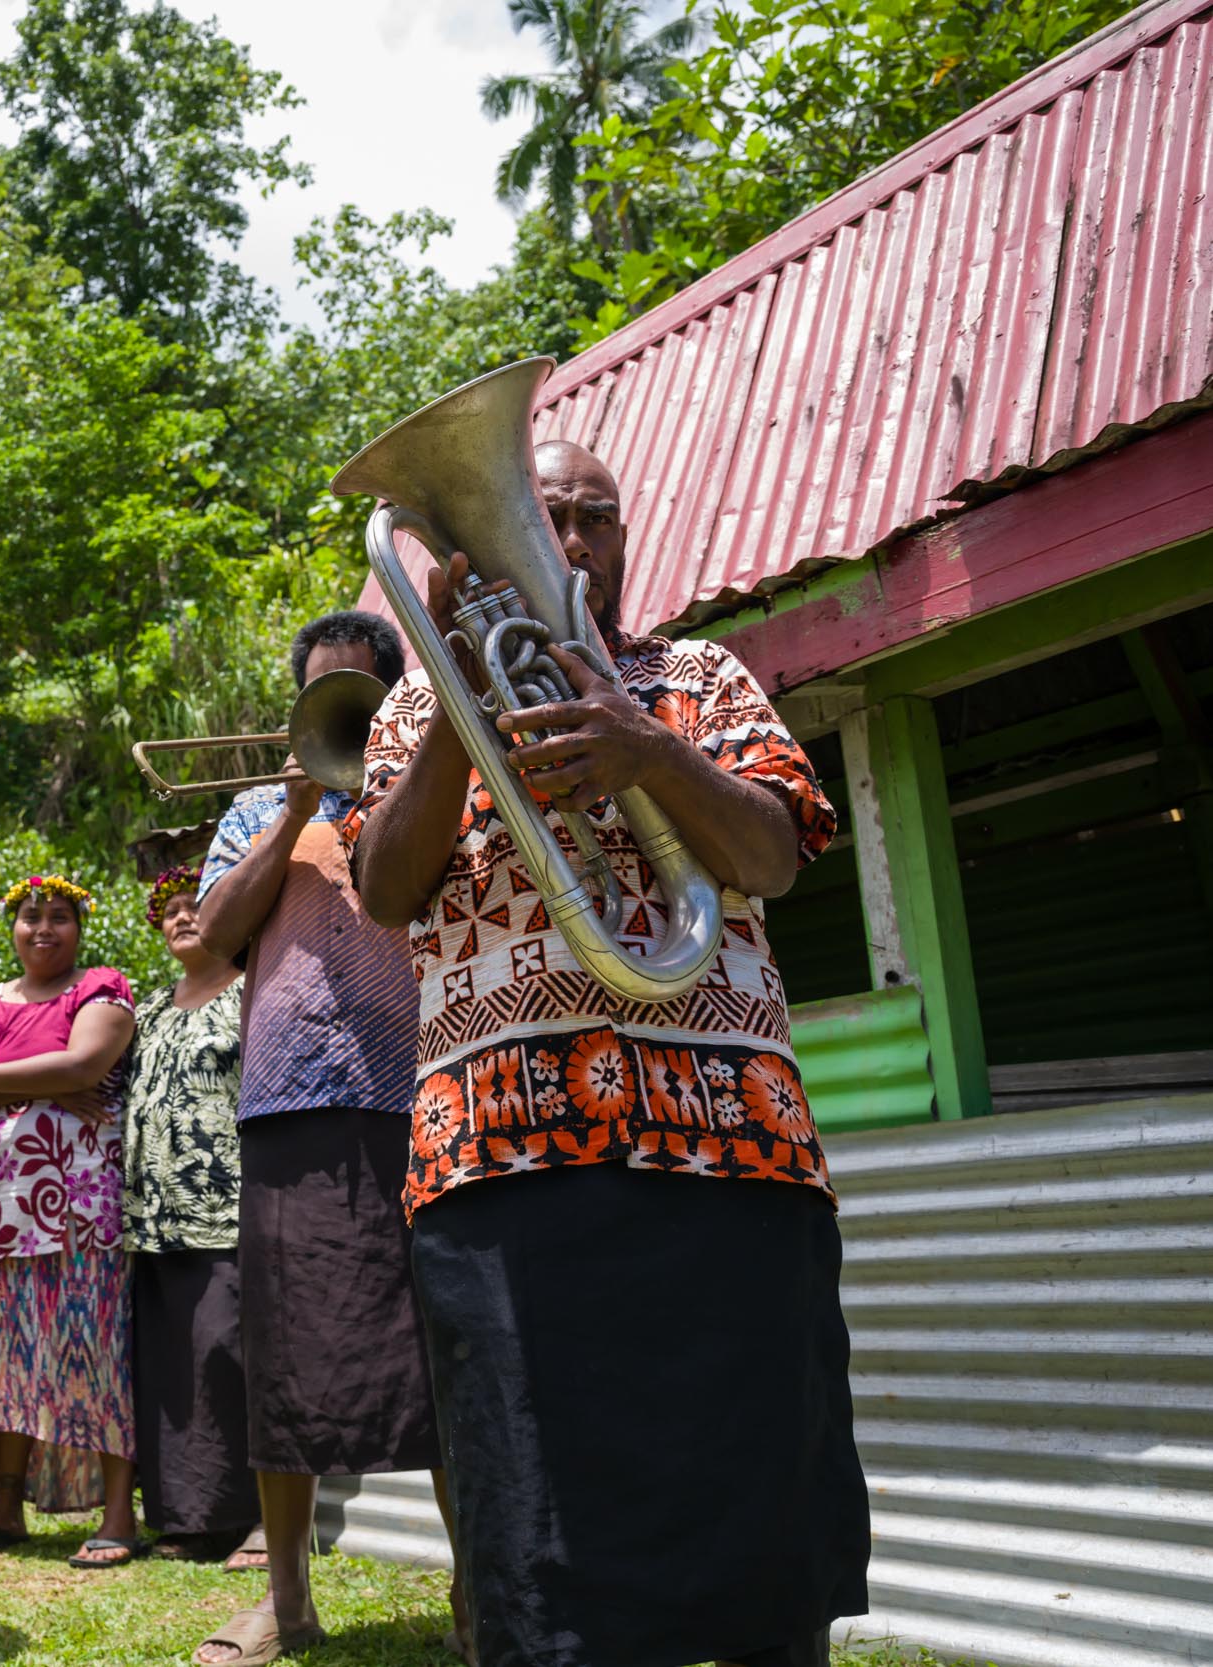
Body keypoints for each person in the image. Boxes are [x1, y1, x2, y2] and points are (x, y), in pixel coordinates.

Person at [350, 440, 868, 1667]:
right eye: (549, 517)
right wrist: (455, 695)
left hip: (731, 1154)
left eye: (598, 519)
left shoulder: (698, 673)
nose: (575, 542)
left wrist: (645, 748)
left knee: (763, 1552)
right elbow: (384, 885)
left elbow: (773, 856)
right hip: (503, 1162)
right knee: (539, 1561)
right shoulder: (416, 700)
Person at [190, 611, 464, 1667]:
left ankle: (473, 1581)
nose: (337, 706)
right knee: (285, 1359)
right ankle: (287, 1599)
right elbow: (213, 933)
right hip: (289, 1103)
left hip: (428, 1089)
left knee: (446, 1347)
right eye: (322, 692)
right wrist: (292, 812)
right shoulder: (260, 807)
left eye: (355, 689)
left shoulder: (439, 786)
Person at [0, 874, 142, 1570]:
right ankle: (4, 1508)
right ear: (13, 927)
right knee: (7, 1361)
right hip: (3, 1215)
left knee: (96, 1351)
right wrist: (49, 1079)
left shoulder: (101, 988)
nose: (43, 929)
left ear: (79, 927)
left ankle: (119, 1514)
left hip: (84, 1211)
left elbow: (89, 1058)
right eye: (31, 917)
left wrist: (2, 1075)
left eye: (59, 917)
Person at [119, 864, 257, 1562]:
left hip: (225, 1203)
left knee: (222, 1353)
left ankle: (242, 1515)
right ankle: (180, 1518)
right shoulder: (147, 1008)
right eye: (169, 909)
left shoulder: (251, 993)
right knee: (167, 1369)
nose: (181, 917)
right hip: (151, 1214)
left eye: (193, 905)